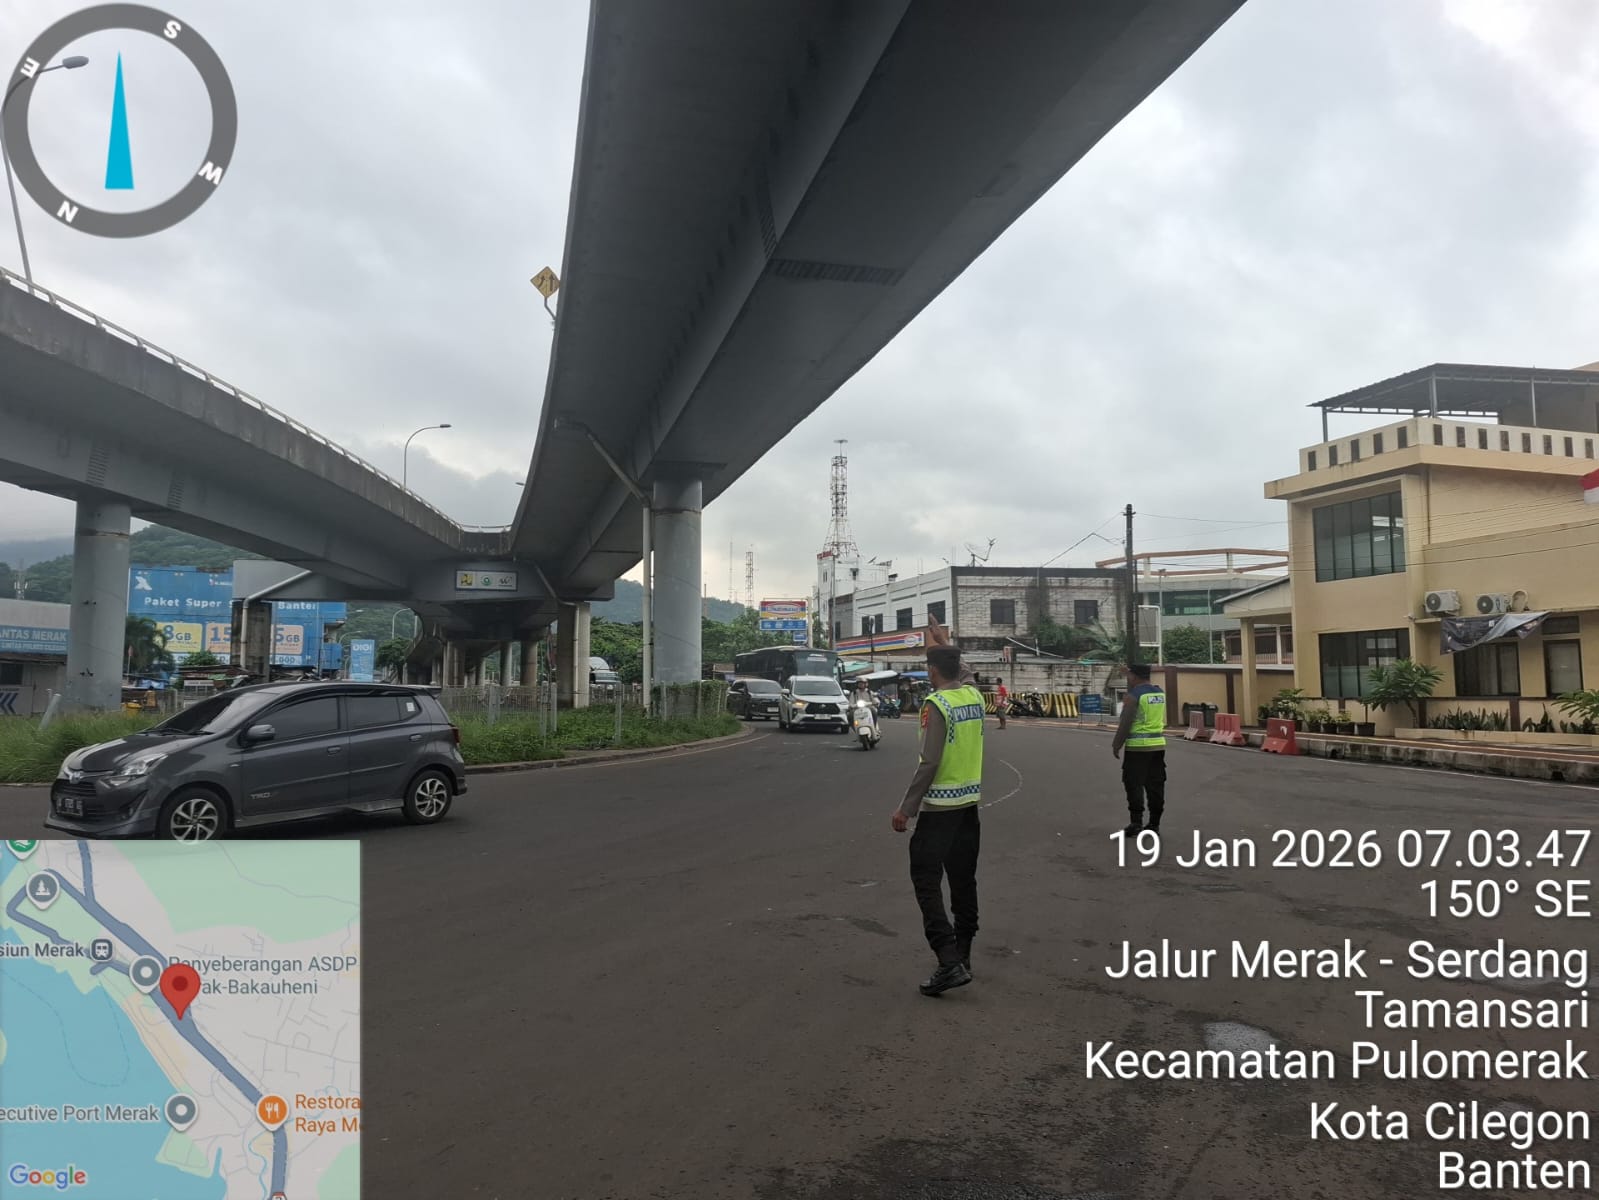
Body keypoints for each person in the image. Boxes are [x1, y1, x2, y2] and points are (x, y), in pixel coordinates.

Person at [891, 617, 985, 996]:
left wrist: (906, 808)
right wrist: (945, 642)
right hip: (969, 807)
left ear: (932, 671)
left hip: (940, 808)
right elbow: (967, 673)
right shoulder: (974, 697)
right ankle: (963, 952)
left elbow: (929, 762)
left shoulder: (937, 704)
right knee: (963, 879)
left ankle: (948, 960)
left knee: (926, 880)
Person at [1111, 663, 1167, 836]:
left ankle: (1136, 823)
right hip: (1158, 746)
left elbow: (1125, 723)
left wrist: (1117, 744)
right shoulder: (1159, 693)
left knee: (1134, 784)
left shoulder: (1133, 696)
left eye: (1130, 676)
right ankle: (1154, 824)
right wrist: (1128, 672)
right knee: (1155, 784)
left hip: (1137, 748)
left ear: (1134, 677)